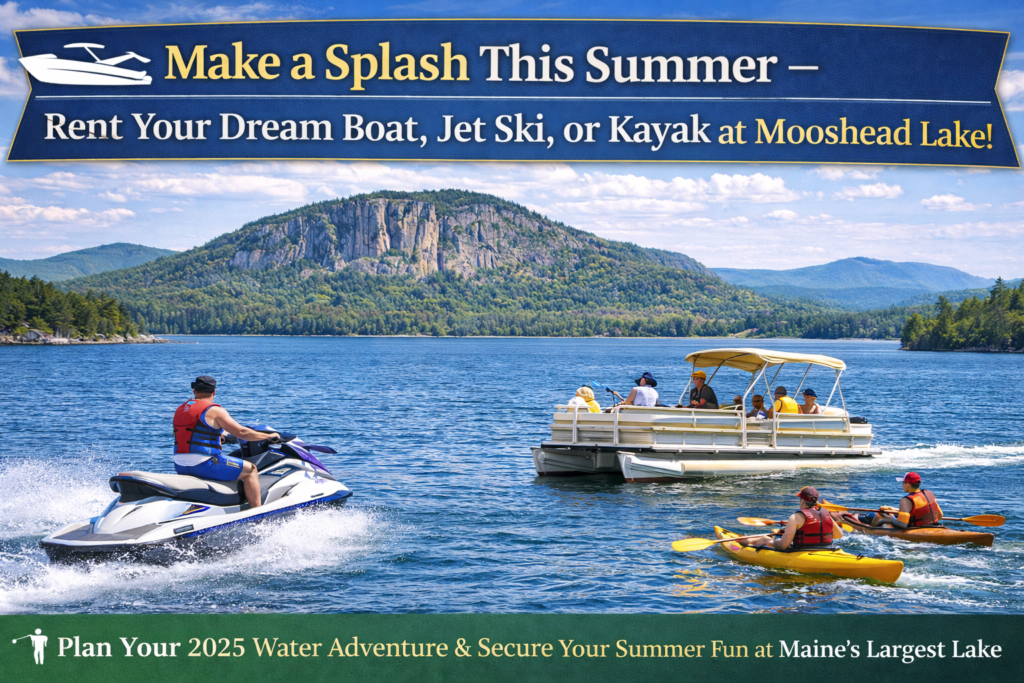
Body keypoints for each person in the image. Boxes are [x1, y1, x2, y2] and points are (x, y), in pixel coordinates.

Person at [172, 375, 279, 510]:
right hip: (203, 464)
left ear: (194, 391)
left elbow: (187, 434)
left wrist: (220, 437)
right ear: (214, 392)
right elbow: (242, 433)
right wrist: (269, 437)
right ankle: (257, 514)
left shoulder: (180, 410)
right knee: (251, 470)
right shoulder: (215, 410)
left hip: (180, 464)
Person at [740, 486, 843, 550]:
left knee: (763, 539)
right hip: (827, 549)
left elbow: (783, 545)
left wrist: (773, 541)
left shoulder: (795, 517)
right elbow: (839, 535)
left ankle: (734, 544)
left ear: (802, 501)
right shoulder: (826, 514)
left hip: (802, 551)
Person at [859, 472, 943, 529]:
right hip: (934, 527)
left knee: (875, 515)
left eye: (903, 483)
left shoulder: (906, 500)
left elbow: (903, 524)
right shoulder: (929, 494)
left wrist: (889, 519)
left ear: (908, 484)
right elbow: (940, 515)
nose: (902, 485)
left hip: (917, 530)